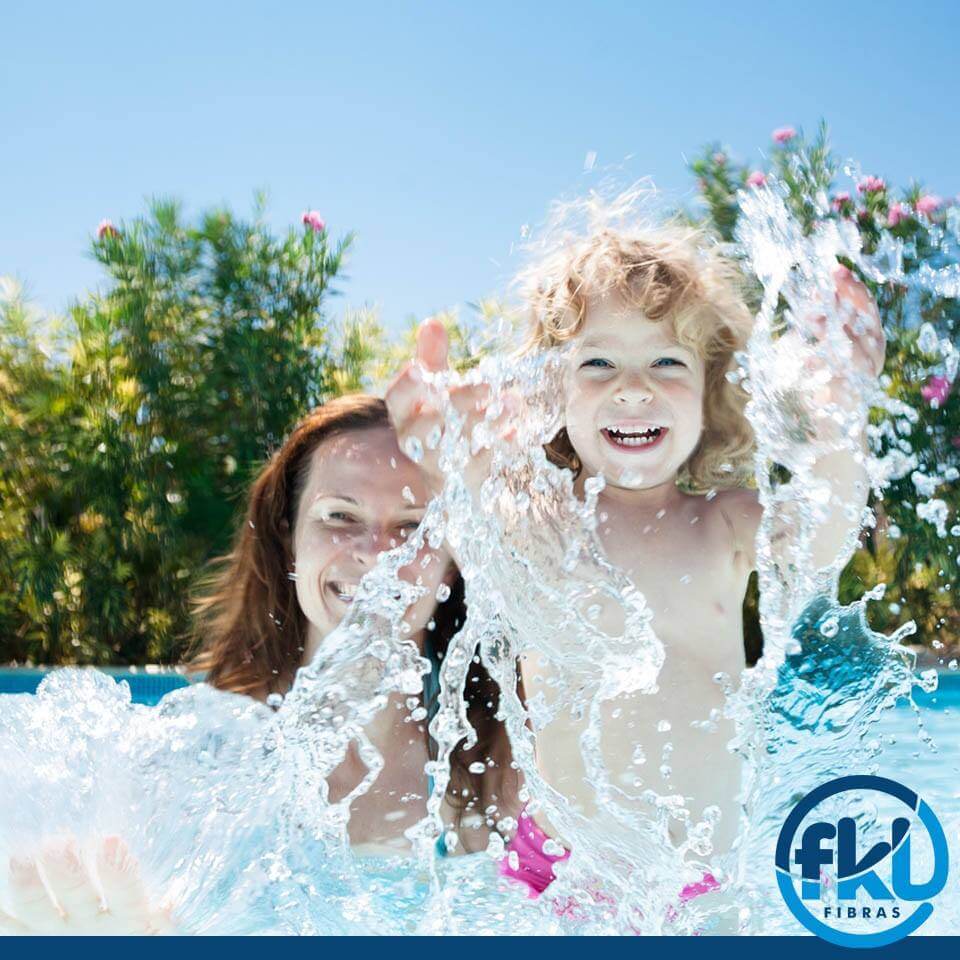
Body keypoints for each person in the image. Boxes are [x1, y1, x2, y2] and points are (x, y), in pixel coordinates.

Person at [386, 225, 885, 893]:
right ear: (549, 391)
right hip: (556, 870)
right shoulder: (541, 521)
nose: (632, 388)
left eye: (667, 363)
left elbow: (822, 539)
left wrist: (838, 424)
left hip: (695, 879)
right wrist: (440, 439)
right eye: (597, 363)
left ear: (711, 390)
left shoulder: (725, 523)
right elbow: (467, 497)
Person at [2, 394, 517, 932]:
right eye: (340, 516)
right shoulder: (198, 759)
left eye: (412, 526)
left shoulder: (504, 761)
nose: (376, 552)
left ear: (454, 557)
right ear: (288, 538)